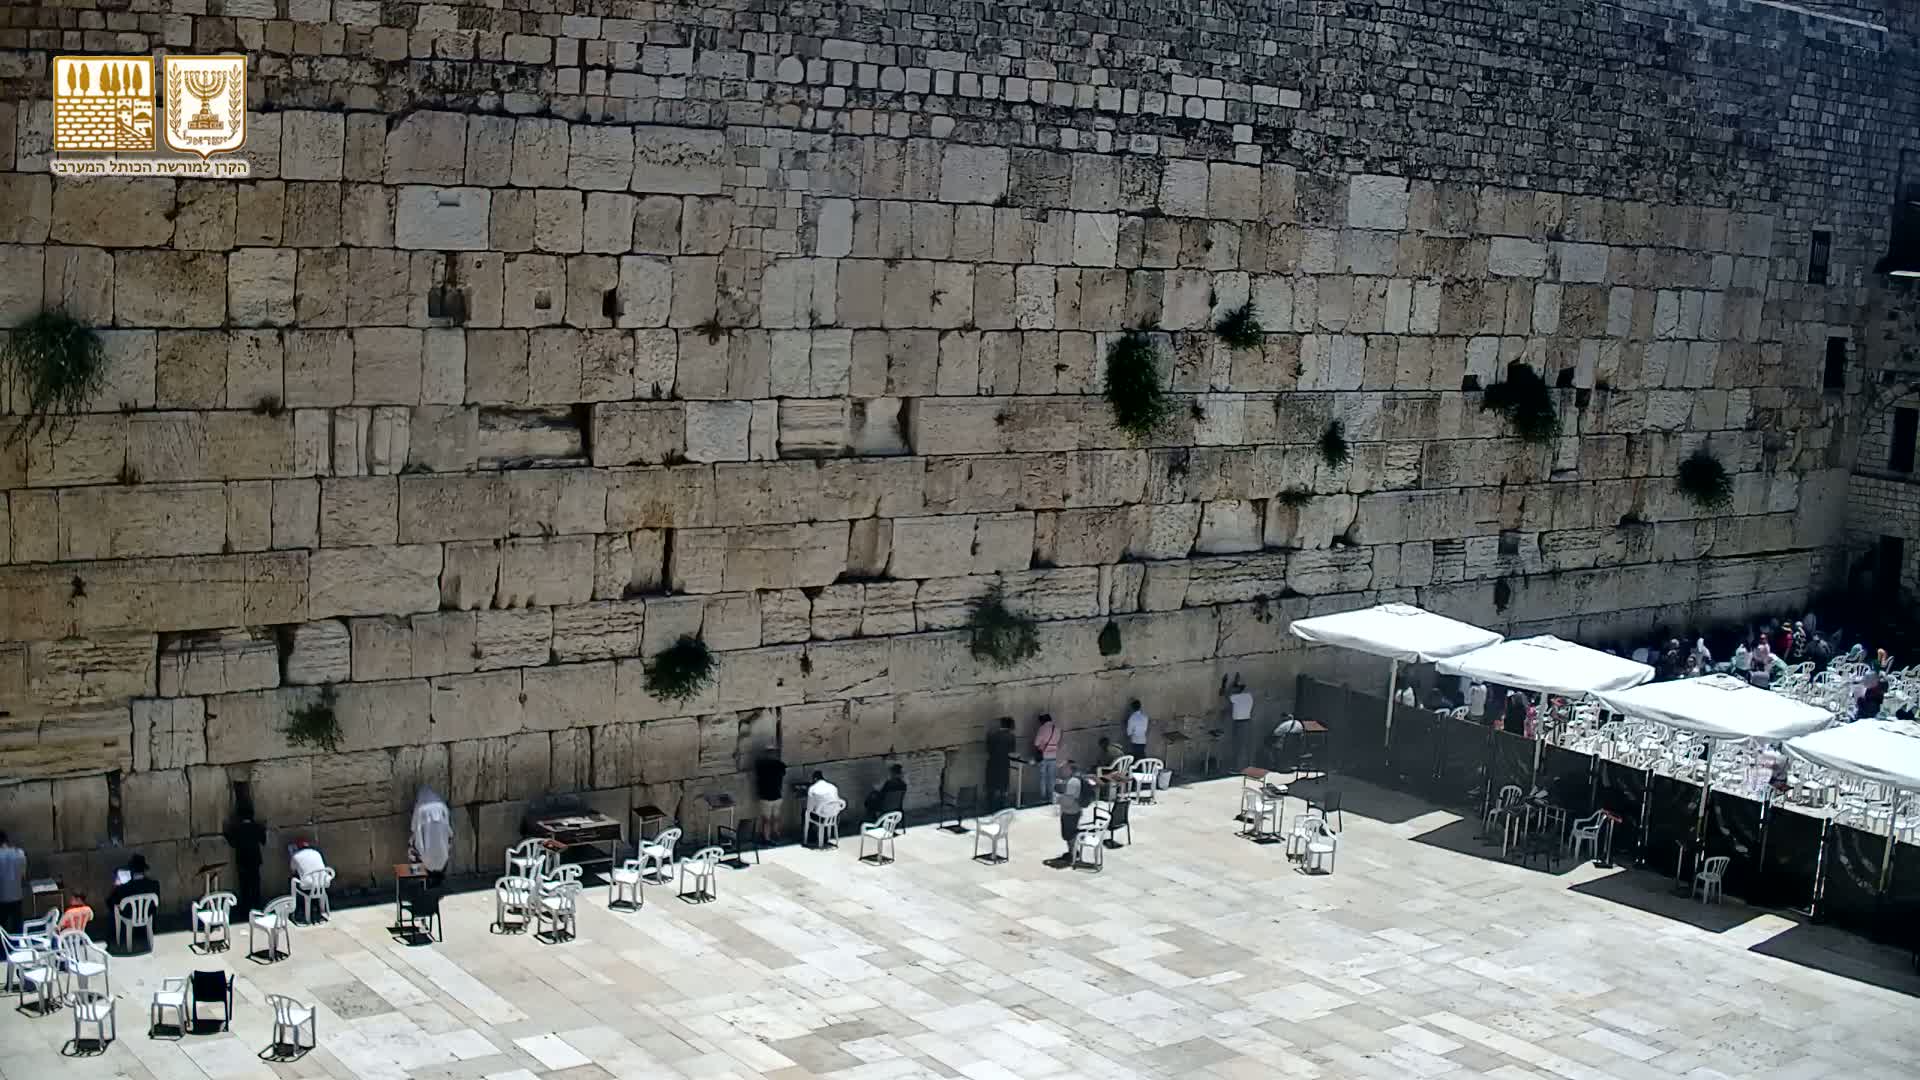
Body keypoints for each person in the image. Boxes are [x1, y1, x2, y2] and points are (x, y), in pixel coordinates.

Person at [105, 853, 160, 947]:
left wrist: (115, 888)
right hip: (147, 915)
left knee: (114, 909)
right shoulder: (154, 884)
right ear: (144, 870)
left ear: (131, 870)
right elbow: (157, 903)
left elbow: (110, 902)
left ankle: (116, 936)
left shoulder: (123, 888)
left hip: (129, 916)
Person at [224, 803, 267, 916]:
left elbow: (232, 843)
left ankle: (245, 910)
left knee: (245, 886)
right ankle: (257, 907)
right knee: (255, 884)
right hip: (255, 861)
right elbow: (263, 841)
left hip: (243, 861)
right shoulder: (257, 826)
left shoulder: (238, 829)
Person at [1045, 761, 1087, 868]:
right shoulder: (1073, 780)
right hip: (1073, 811)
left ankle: (1073, 854)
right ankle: (1072, 852)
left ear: (1070, 770)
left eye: (1065, 768)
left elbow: (1069, 800)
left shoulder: (1073, 782)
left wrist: (1058, 799)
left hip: (1070, 812)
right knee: (1069, 834)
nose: (1063, 770)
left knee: (1070, 834)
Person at [410, 786, 453, 887]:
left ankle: (421, 881)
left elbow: (414, 828)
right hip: (443, 855)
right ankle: (438, 881)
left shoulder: (420, 808)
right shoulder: (441, 805)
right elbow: (449, 830)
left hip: (426, 855)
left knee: (413, 851)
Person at [752, 744, 786, 841]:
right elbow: (783, 772)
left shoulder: (762, 765)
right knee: (776, 818)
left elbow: (757, 770)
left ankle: (767, 838)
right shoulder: (779, 765)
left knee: (766, 820)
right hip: (777, 795)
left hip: (765, 796)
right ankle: (776, 834)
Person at [985, 717, 1016, 810]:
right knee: (1003, 784)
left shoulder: (991, 734)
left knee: (992, 783)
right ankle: (1001, 806)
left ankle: (990, 806)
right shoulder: (1011, 736)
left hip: (992, 762)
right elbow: (1012, 751)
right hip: (1004, 762)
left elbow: (988, 749)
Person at [805, 771, 839, 846]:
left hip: (821, 817)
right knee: (824, 812)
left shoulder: (813, 788)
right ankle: (826, 836)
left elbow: (809, 807)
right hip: (834, 816)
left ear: (815, 779)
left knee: (806, 813)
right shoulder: (833, 787)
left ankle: (810, 837)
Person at [1032, 713, 1060, 806]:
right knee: (1052, 777)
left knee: (1043, 778)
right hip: (1053, 755)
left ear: (1043, 720)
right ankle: (1051, 798)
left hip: (1043, 756)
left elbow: (1036, 743)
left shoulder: (1042, 728)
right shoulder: (1057, 729)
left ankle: (1043, 798)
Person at [0, 832, 24, 933]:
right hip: (17, 895)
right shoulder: (19, 853)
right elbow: (23, 874)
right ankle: (18, 947)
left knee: (2, 928)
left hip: (2, 897)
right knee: (17, 926)